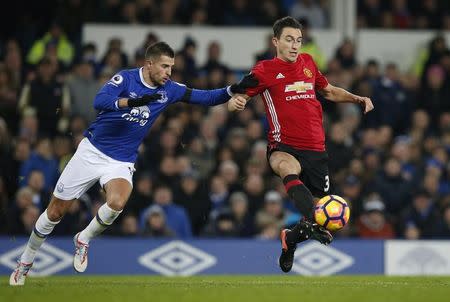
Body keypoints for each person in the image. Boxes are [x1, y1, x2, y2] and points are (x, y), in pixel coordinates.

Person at [9, 41, 254, 286]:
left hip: (121, 160)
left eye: (171, 67)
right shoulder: (125, 79)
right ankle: (24, 263)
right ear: (149, 64)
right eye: (165, 66)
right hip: (92, 152)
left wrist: (234, 89)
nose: (169, 72)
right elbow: (100, 101)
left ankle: (83, 239)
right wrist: (130, 102)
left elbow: (206, 97)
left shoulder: (170, 89)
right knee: (54, 213)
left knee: (116, 203)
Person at [229, 16, 374, 273]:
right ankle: (315, 226)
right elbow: (238, 94)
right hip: (283, 145)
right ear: (276, 41)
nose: (295, 45)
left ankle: (291, 240)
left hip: (316, 148)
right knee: (286, 168)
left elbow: (328, 91)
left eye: (298, 40)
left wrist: (357, 98)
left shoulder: (308, 63)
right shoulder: (264, 70)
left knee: (320, 215)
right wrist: (236, 102)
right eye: (289, 39)